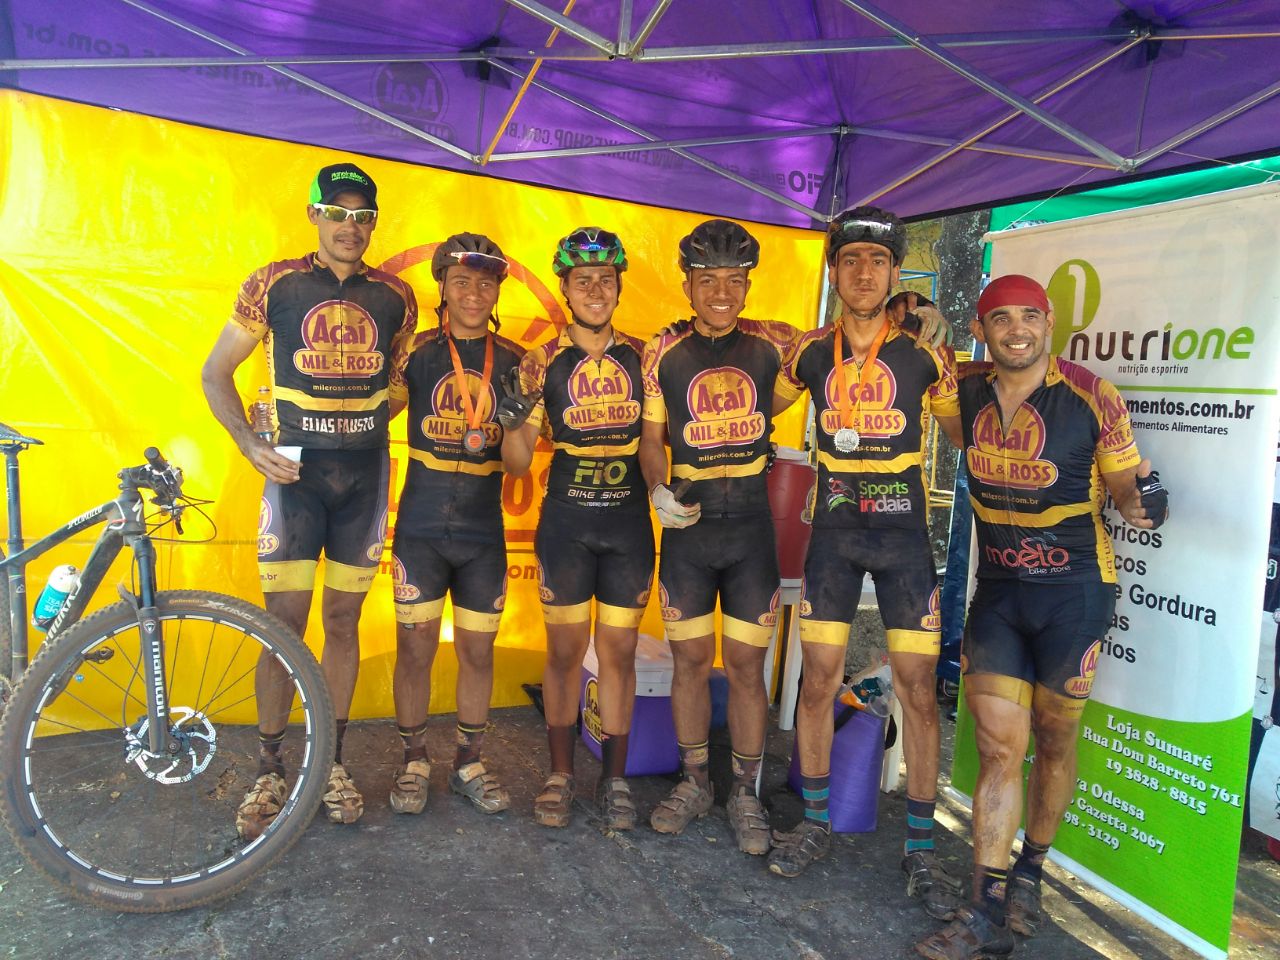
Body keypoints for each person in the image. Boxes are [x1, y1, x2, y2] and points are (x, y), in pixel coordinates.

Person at [915, 274, 1169, 960]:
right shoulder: (963, 387)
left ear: (1048, 320)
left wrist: (1145, 501)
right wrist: (920, 315)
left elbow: (1125, 490)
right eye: (1001, 319)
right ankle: (984, 909)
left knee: (1054, 741)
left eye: (1028, 316)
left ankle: (1030, 872)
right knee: (1000, 748)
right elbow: (913, 355)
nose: (1017, 330)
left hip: (1075, 596)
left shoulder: (1092, 395)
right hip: (1000, 592)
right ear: (981, 329)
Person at [202, 161, 418, 836]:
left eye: (362, 216)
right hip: (294, 476)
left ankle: (330, 762)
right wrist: (250, 442)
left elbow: (398, 385)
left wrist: (361, 419)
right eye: (337, 213)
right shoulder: (273, 283)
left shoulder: (397, 296)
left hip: (365, 476)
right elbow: (215, 372)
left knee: (344, 623)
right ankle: (270, 767)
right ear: (314, 214)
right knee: (283, 625)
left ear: (373, 223)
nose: (350, 227)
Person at [766, 206, 965, 914]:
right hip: (835, 539)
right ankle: (816, 822)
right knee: (817, 682)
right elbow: (762, 401)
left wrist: (943, 332)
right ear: (833, 270)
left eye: (878, 262)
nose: (863, 272)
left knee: (918, 691)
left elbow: (965, 431)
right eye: (850, 260)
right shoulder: (809, 351)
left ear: (894, 273)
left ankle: (921, 848)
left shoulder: (925, 351)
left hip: (904, 539)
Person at [639, 219, 802, 855]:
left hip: (751, 533)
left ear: (748, 285)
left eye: (735, 280)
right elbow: (652, 440)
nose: (722, 293)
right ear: (687, 284)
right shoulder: (663, 349)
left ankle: (744, 791)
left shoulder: (775, 343)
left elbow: (847, 339)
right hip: (690, 530)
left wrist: (912, 308)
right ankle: (695, 782)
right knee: (688, 661)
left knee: (744, 666)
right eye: (708, 280)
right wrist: (658, 490)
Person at [505, 227, 653, 830]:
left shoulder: (646, 356)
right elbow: (517, 464)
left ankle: (614, 779)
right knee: (566, 652)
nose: (595, 290)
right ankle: (561, 774)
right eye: (582, 280)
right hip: (566, 522)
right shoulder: (540, 362)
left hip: (628, 524)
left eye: (606, 280)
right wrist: (511, 423)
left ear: (618, 287)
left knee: (618, 652)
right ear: (565, 289)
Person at [387, 232, 533, 818]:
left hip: (481, 533)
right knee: (414, 649)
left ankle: (469, 762)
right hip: (420, 528)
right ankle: (413, 761)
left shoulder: (518, 362)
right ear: (443, 288)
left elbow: (518, 465)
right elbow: (375, 414)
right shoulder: (416, 352)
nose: (474, 293)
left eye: (485, 283)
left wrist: (516, 424)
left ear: (497, 292)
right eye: (461, 281)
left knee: (477, 651)